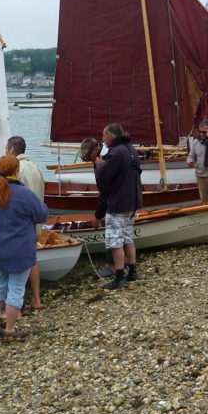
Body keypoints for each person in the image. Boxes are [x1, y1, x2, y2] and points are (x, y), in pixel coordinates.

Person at [0, 155, 49, 341]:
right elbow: (42, 215)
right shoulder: (25, 194)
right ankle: (10, 330)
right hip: (20, 251)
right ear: (17, 171)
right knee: (16, 289)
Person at [94, 123, 143, 290]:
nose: (102, 139)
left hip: (119, 203)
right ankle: (133, 271)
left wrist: (99, 165)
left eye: (104, 135)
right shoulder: (131, 149)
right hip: (133, 202)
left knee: (115, 242)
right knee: (128, 237)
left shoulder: (116, 152)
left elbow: (104, 177)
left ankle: (119, 276)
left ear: (111, 136)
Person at [6, 136, 46, 313]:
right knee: (32, 261)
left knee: (17, 264)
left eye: (6, 149)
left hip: (20, 224)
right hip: (35, 222)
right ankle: (36, 300)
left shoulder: (16, 169)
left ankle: (17, 306)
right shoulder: (36, 168)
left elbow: (14, 197)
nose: (5, 152)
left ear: (12, 151)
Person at [80, 137, 115, 279]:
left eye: (89, 156)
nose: (88, 159)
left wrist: (98, 216)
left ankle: (112, 266)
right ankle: (124, 262)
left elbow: (105, 192)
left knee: (112, 236)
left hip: (115, 203)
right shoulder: (102, 160)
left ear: (96, 149)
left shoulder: (103, 162)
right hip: (120, 200)